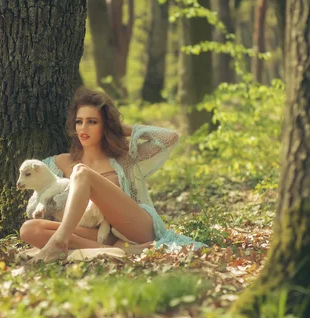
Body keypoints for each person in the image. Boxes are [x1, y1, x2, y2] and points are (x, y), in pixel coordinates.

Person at [20, 87, 204, 262]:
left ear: (104, 125)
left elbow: (170, 137)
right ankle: (113, 252)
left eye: (92, 122)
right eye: (79, 121)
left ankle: (60, 242)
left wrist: (119, 128)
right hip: (99, 236)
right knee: (29, 229)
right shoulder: (58, 163)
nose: (83, 128)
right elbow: (39, 197)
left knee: (82, 172)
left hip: (134, 228)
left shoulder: (126, 160)